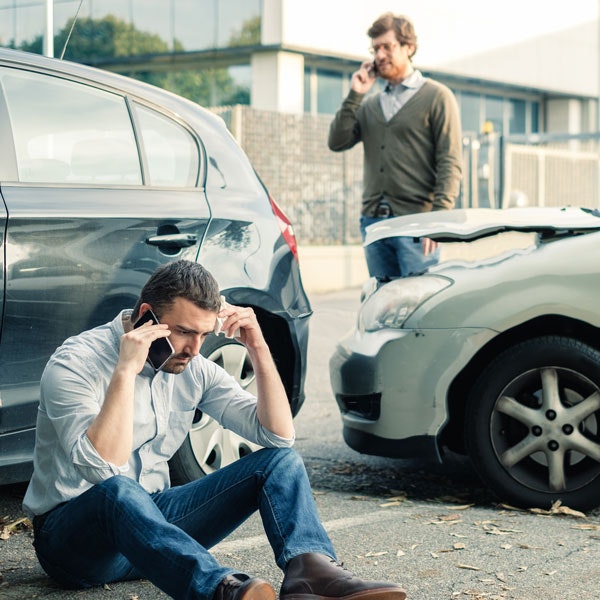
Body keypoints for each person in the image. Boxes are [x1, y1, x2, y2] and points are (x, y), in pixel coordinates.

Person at [22, 259, 408, 600]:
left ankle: (310, 573)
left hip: (154, 532)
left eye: (204, 335)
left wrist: (257, 346)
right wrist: (126, 370)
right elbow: (102, 468)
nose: (194, 349)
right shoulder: (76, 362)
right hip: (76, 544)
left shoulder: (193, 367)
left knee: (280, 462)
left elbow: (277, 436)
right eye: (184, 332)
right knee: (118, 489)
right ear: (145, 317)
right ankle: (219, 589)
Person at [328, 12, 463, 280]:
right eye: (375, 48)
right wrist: (356, 94)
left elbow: (450, 162)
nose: (379, 55)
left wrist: (437, 220)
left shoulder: (437, 97)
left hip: (418, 223)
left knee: (420, 306)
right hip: (374, 223)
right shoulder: (370, 104)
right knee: (384, 306)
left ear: (408, 47)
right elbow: (337, 141)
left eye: (387, 46)